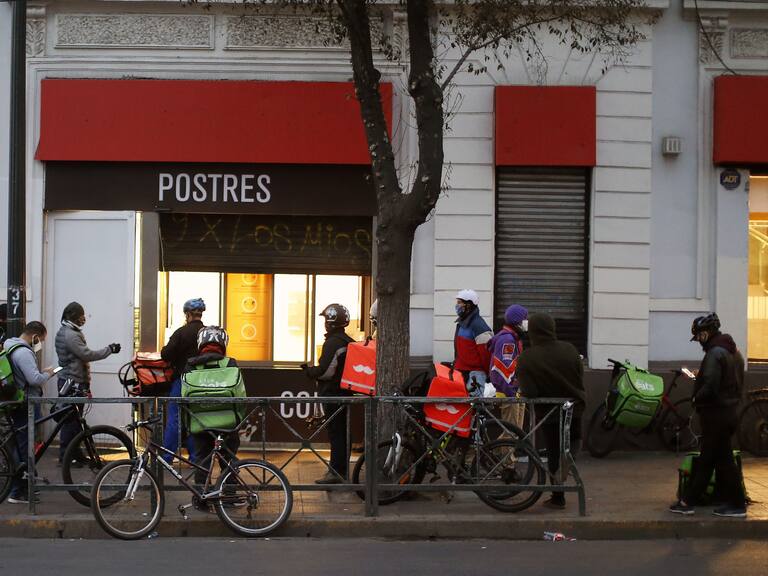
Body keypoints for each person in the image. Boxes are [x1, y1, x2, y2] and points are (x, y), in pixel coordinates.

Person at [669, 313, 747, 518]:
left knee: (709, 460)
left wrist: (696, 399)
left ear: (705, 334)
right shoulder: (733, 351)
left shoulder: (714, 354)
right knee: (720, 459)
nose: (698, 342)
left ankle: (693, 502)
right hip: (728, 412)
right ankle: (692, 501)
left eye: (698, 337)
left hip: (716, 414)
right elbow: (732, 381)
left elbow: (711, 386)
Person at [517, 313, 585, 510]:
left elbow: (530, 392)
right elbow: (579, 377)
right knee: (570, 448)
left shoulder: (528, 357)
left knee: (554, 452)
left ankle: (558, 496)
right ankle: (567, 476)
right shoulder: (570, 349)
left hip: (550, 413)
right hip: (574, 410)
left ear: (533, 331)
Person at [55, 302, 120, 465]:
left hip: (73, 381)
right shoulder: (70, 335)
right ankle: (65, 455)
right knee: (70, 421)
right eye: (81, 315)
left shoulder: (69, 331)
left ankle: (75, 454)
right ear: (73, 316)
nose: (84, 318)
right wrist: (109, 350)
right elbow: (86, 354)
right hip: (72, 382)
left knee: (76, 421)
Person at [301, 303, 354, 484]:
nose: (324, 323)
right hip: (344, 394)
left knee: (336, 433)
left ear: (330, 321)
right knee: (343, 432)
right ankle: (341, 471)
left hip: (333, 393)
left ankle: (336, 473)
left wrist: (309, 371)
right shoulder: (347, 340)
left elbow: (326, 371)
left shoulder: (333, 342)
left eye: (325, 319)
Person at [184, 326, 241, 490]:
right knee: (228, 457)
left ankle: (202, 495)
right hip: (228, 422)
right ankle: (229, 494)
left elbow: (184, 398)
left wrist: (188, 423)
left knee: (202, 458)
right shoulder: (230, 364)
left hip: (199, 423)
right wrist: (238, 419)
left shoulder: (191, 366)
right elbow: (241, 395)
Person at [4, 321, 55, 504]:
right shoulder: (24, 352)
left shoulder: (10, 345)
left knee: (21, 445)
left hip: (17, 401)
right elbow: (34, 379)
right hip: (26, 403)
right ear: (35, 335)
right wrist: (49, 373)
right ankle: (19, 492)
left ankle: (27, 483)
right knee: (25, 447)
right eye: (40, 339)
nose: (40, 343)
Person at [160, 298, 206, 461]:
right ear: (200, 314)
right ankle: (196, 458)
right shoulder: (207, 333)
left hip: (182, 380)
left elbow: (166, 354)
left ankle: (166, 458)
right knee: (196, 419)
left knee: (175, 419)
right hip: (202, 383)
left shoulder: (181, 332)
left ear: (187, 314)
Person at [488, 304, 528, 429]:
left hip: (515, 392)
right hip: (510, 393)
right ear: (517, 321)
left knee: (516, 434)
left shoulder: (513, 338)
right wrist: (511, 394)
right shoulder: (508, 340)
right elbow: (502, 369)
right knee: (512, 434)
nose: (527, 322)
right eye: (525, 319)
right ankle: (498, 449)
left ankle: (502, 449)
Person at [453, 289, 493, 385]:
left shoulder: (479, 326)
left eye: (460, 303)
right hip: (462, 372)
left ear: (469, 305)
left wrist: (489, 376)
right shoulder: (462, 323)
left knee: (474, 400)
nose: (457, 305)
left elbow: (487, 355)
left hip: (475, 376)